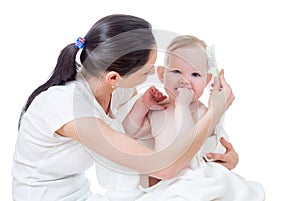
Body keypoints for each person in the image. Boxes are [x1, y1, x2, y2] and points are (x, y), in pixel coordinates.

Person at [12, 15, 234, 201]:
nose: (155, 75)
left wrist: (222, 158)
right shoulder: (66, 107)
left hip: (81, 193)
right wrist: (215, 113)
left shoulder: (114, 89)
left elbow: (150, 139)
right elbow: (164, 167)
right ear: (113, 77)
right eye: (147, 73)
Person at [121, 35, 265, 200]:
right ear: (161, 74)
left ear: (207, 80)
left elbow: (186, 142)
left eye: (195, 74)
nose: (185, 80)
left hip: (193, 177)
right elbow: (129, 132)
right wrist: (142, 105)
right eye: (176, 71)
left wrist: (182, 106)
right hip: (164, 182)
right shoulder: (158, 108)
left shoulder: (203, 113)